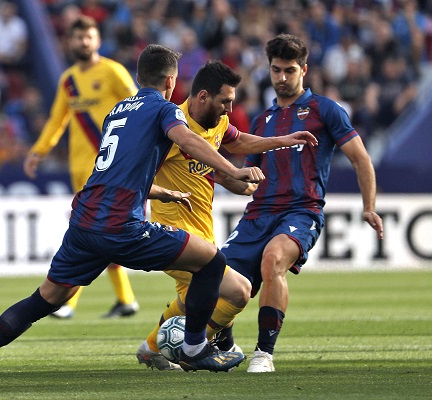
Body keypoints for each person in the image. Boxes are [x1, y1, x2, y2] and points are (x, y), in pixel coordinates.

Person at [0, 44, 263, 385]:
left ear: (138, 76)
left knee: (47, 298)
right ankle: (193, 347)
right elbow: (187, 140)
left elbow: (116, 172)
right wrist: (235, 169)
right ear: (171, 81)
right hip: (121, 225)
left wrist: (161, 191)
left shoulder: (117, 111)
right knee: (212, 262)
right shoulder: (165, 110)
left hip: (85, 220)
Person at [135, 61, 317, 370]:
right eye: (225, 102)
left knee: (193, 299)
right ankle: (189, 350)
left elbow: (240, 140)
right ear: (203, 97)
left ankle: (153, 347)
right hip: (171, 233)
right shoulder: (171, 128)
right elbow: (139, 178)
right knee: (238, 290)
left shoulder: (215, 124)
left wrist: (282, 141)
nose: (229, 110)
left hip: (202, 234)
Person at [220, 34, 384, 373]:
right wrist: (216, 178)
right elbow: (248, 177)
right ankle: (222, 343)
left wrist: (369, 206)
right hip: (258, 214)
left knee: (273, 259)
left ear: (304, 70)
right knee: (217, 277)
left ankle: (264, 354)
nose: (282, 77)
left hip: (301, 211)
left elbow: (361, 158)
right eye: (276, 70)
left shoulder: (326, 110)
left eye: (290, 70)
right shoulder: (261, 121)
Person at [23, 16, 140, 319]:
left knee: (88, 232)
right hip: (80, 169)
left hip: (110, 167)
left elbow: (140, 107)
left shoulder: (113, 72)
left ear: (97, 39)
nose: (83, 42)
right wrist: (38, 151)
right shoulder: (69, 81)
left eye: (89, 37)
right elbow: (56, 121)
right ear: (70, 41)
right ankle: (125, 299)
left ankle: (69, 302)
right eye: (78, 38)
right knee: (97, 232)